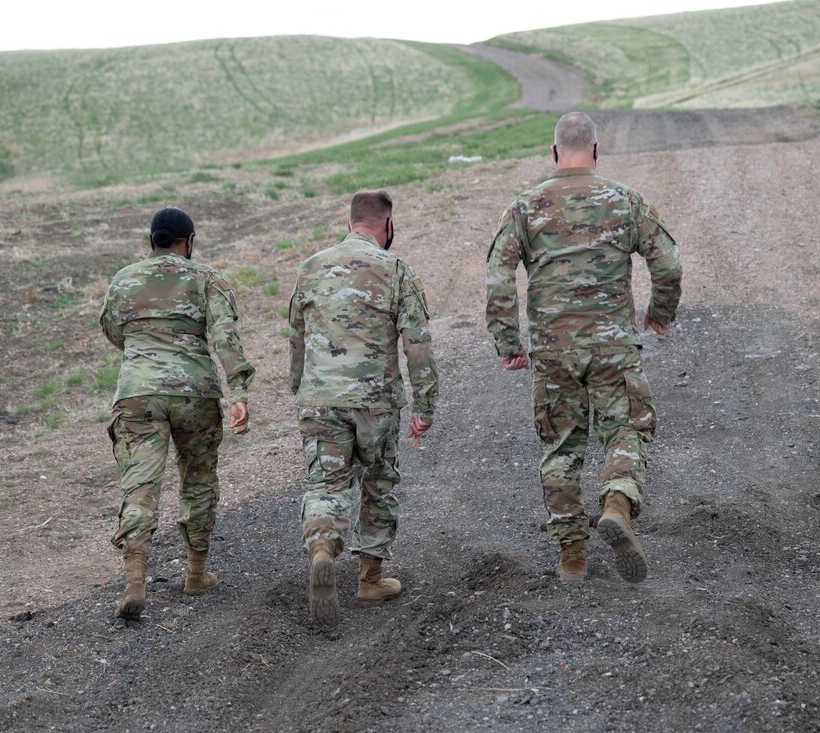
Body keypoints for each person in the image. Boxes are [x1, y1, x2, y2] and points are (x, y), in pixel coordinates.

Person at [485, 111, 683, 584]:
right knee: (626, 430)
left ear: (554, 153)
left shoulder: (524, 207)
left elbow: (497, 279)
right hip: (613, 347)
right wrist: (660, 313)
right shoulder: (625, 200)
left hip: (554, 350)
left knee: (562, 444)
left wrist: (508, 341)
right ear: (595, 151)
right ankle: (616, 501)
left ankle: (572, 554)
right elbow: (669, 264)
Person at [289, 189, 439, 627]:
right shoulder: (396, 270)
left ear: (350, 221)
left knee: (326, 481)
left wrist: (299, 387)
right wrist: (425, 404)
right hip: (375, 401)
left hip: (320, 397)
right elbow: (418, 344)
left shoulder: (309, 267)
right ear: (387, 226)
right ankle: (370, 580)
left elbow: (295, 338)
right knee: (378, 481)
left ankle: (321, 548)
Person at [100, 206, 255, 620]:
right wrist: (239, 391)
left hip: (137, 394)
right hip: (195, 394)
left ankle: (135, 580)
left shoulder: (124, 280)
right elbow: (226, 335)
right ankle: (196, 572)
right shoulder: (207, 278)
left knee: (140, 486)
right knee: (199, 479)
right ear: (188, 241)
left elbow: (115, 332)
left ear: (151, 240)